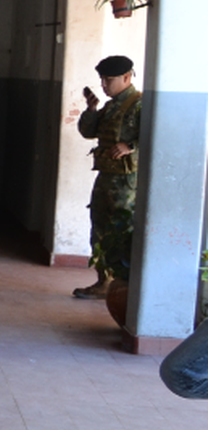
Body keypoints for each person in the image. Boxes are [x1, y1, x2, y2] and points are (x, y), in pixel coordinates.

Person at [72, 55, 142, 299]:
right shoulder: (111, 106)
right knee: (99, 229)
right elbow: (88, 132)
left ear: (126, 77)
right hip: (106, 177)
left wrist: (131, 145)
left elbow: (158, 136)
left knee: (124, 231)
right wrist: (91, 110)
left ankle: (125, 285)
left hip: (127, 181)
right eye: (101, 79)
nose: (103, 84)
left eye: (108, 79)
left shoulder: (139, 104)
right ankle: (104, 281)